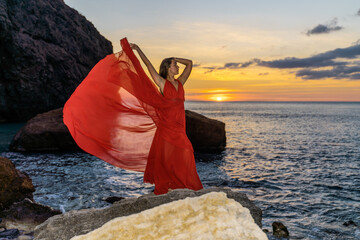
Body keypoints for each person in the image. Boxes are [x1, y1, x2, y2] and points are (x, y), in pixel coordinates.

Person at [63, 38, 203, 195]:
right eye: (174, 65)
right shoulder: (162, 83)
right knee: (172, 157)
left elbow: (189, 63)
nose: (177, 67)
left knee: (185, 152)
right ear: (168, 68)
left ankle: (182, 185)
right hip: (167, 128)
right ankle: (172, 186)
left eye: (176, 65)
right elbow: (148, 67)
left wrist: (175, 58)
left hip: (179, 127)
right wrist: (137, 50)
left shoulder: (180, 83)